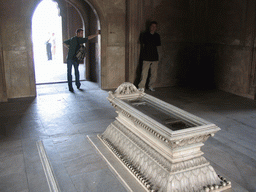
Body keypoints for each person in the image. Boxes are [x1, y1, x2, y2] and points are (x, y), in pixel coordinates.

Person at [138, 21, 161, 91]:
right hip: (146, 56)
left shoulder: (157, 35)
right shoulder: (145, 34)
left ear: (156, 28)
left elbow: (158, 46)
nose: (153, 28)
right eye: (152, 26)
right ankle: (141, 87)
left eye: (155, 27)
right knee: (144, 73)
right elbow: (142, 44)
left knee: (154, 74)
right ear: (149, 27)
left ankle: (151, 85)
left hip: (154, 56)